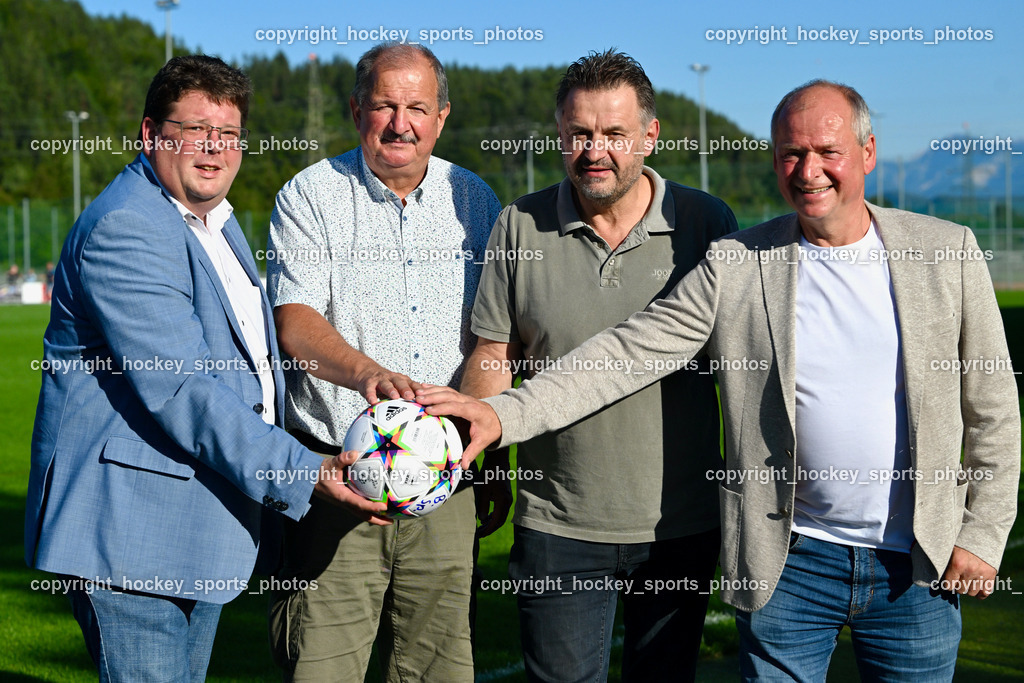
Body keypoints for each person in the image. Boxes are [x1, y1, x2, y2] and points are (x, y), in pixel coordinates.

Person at [418, 79, 1021, 681]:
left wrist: (983, 534)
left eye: (827, 152)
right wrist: (502, 415)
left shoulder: (947, 251)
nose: (808, 169)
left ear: (866, 153)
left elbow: (993, 410)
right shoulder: (737, 263)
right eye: (791, 152)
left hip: (914, 566)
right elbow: (627, 352)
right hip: (789, 564)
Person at [24, 55, 381, 682]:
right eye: (193, 130)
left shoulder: (215, 222)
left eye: (228, 134)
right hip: (130, 535)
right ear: (149, 134)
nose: (213, 148)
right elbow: (183, 388)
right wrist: (304, 469)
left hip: (197, 522)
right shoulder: (129, 226)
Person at [462, 49, 735, 682]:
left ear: (650, 136)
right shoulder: (519, 226)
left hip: (680, 522)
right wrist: (487, 467)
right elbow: (494, 352)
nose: (596, 150)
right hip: (558, 519)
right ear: (560, 134)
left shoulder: (706, 223)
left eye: (614, 133)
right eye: (579, 133)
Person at [266, 42, 502, 682]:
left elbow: (494, 337)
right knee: (321, 667)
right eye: (385, 105)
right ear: (355, 110)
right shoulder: (311, 195)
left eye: (418, 107)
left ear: (442, 117)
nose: (402, 123)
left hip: (444, 479)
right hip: (336, 477)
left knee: (438, 666)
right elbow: (295, 320)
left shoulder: (475, 199)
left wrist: (488, 445)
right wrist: (366, 373)